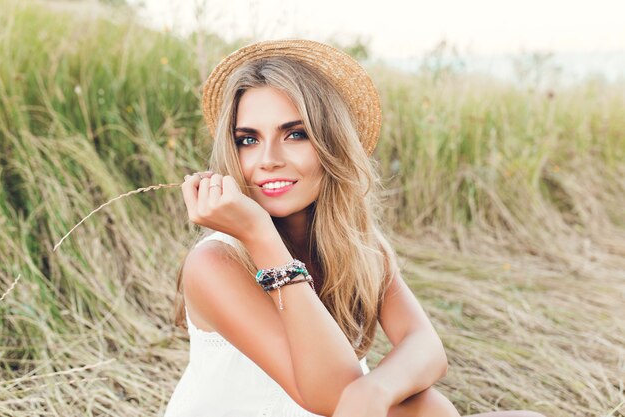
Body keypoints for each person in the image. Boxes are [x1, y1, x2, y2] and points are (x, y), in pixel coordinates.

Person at [167, 39, 546, 417]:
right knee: (427, 409)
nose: (268, 160)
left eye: (295, 134)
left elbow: (425, 347)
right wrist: (259, 234)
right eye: (248, 140)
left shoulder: (356, 245)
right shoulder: (215, 262)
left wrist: (378, 389)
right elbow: (332, 396)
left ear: (332, 143)